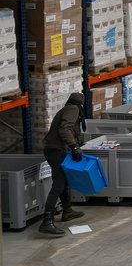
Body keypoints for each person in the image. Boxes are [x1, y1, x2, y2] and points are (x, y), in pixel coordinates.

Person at [39, 92, 86, 236]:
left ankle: (67, 210)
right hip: (56, 151)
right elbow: (64, 128)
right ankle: (47, 221)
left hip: (56, 150)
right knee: (58, 184)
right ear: (81, 103)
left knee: (64, 181)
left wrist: (75, 143)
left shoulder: (67, 108)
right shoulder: (73, 109)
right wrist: (74, 146)